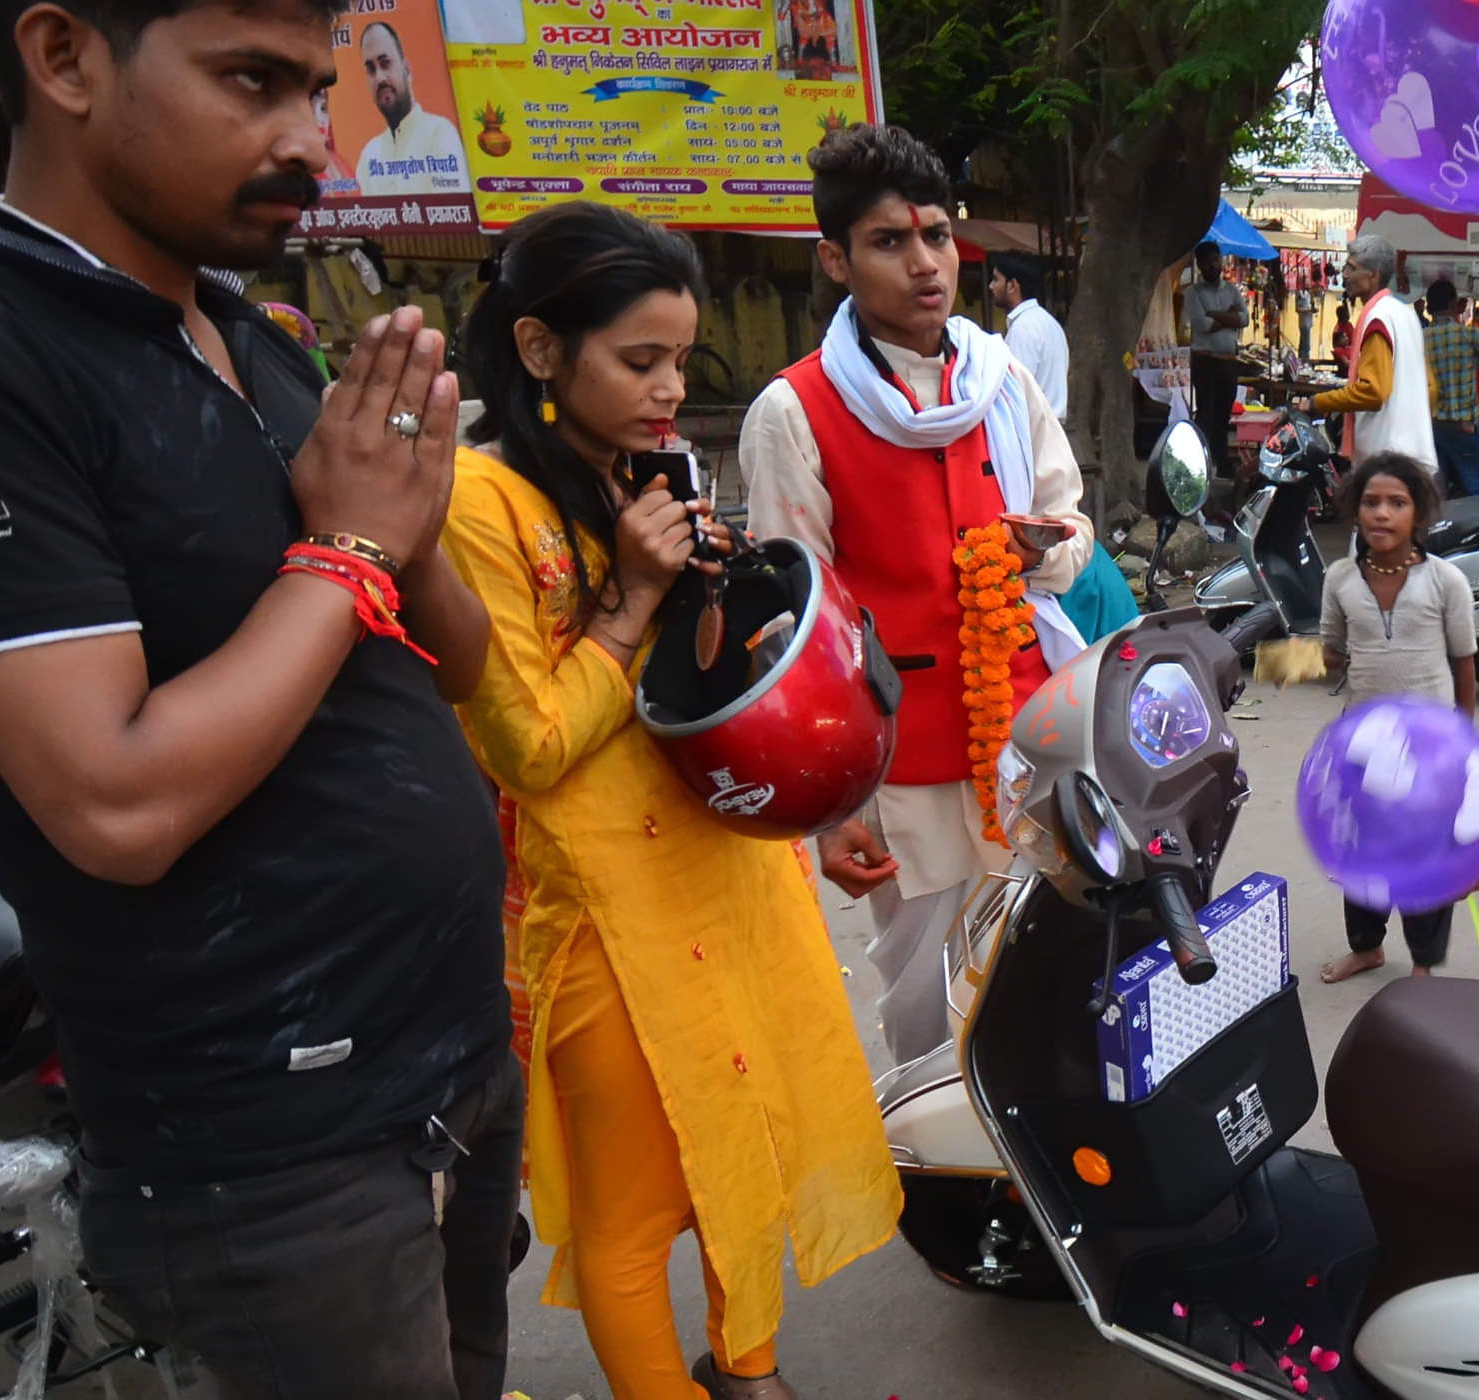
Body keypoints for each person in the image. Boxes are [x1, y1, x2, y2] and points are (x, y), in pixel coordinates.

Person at [0, 0, 521, 1386]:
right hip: (269, 1159)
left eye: (319, 93)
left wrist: (403, 529)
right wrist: (353, 548)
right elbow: (116, 803)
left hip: (452, 1071)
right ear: (65, 58)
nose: (312, 141)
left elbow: (461, 670)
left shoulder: (245, 337)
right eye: (253, 83)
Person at [443, 202, 899, 1400]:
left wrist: (814, 787)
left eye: (679, 361)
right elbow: (530, 744)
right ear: (540, 349)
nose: (665, 389)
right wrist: (636, 595)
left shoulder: (644, 473)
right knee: (638, 1213)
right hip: (604, 916)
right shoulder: (476, 506)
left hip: (727, 866)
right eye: (637, 360)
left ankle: (747, 1367)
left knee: (736, 1154)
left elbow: (708, 691)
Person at [741, 124, 1091, 1065]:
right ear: (835, 259)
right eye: (889, 242)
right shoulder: (795, 409)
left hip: (1031, 742)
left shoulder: (1000, 379)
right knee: (931, 1006)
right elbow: (791, 625)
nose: (925, 263)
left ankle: (1036, 1186)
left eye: (935, 235)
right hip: (902, 770)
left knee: (1046, 977)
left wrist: (1038, 555)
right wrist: (831, 806)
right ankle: (941, 1189)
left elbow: (1072, 523)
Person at [1316, 453, 1477, 984]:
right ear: (1354, 511)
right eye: (1371, 502)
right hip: (1362, 744)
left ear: (1419, 514)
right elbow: (1332, 654)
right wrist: (1277, 660)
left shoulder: (1446, 582)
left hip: (1430, 748)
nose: (1381, 514)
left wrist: (1464, 742)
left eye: (1397, 503)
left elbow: (1463, 662)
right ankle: (1366, 947)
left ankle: (1424, 965)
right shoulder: (1339, 578)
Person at [1295, 234, 1436, 466]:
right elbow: (1431, 389)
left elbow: (1373, 392)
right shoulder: (1406, 315)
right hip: (1413, 454)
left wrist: (1316, 403)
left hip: (1384, 458)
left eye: (1352, 268)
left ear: (1373, 275)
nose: (1345, 274)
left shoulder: (1378, 318)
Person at [1419, 277, 1479, 496]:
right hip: (1462, 427)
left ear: (1428, 306)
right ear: (1454, 305)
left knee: (1436, 493)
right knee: (1476, 492)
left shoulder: (1419, 338)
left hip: (1431, 427)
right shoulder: (1469, 335)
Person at [355, 21, 469, 195]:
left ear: (407, 70)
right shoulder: (369, 155)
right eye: (371, 69)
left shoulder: (439, 133)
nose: (379, 78)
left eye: (385, 63)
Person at [1185, 239, 1248, 478]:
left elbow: (1244, 319)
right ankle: (1198, 467)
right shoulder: (1193, 292)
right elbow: (1202, 324)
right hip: (1205, 360)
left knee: (1223, 416)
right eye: (1209, 261)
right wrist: (1227, 316)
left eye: (1216, 259)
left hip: (1228, 361)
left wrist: (1215, 315)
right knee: (1205, 414)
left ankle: (1222, 464)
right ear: (1200, 264)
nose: (1214, 265)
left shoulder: (1232, 290)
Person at [988, 250, 1068, 422]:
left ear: (1012, 286)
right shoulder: (1049, 323)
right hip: (1051, 427)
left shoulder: (1023, 329)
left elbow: (1016, 392)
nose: (991, 286)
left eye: (996, 279)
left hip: (1036, 433)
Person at [311, 89, 359, 196]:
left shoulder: (340, 163)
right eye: (310, 109)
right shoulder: (293, 171)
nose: (320, 120)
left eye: (323, 109)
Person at [1331, 300, 1356, 372]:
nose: (1347, 315)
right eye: (1345, 314)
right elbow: (1335, 344)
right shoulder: (1338, 328)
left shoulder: (1349, 325)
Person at [1296, 280, 1317, 362]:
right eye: (1306, 284)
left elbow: (1311, 306)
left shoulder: (1309, 294)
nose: (1309, 285)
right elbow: (1298, 309)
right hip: (1304, 322)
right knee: (1306, 345)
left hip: (1309, 321)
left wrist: (1313, 308)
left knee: (1303, 342)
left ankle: (1302, 358)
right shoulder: (1300, 294)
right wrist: (1308, 310)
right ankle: (1305, 360)